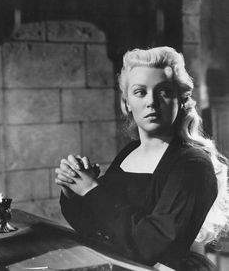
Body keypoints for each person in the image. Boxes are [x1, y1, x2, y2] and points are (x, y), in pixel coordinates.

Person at [55, 47, 229, 271]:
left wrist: (91, 191)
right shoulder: (129, 152)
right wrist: (74, 190)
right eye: (140, 92)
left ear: (181, 100)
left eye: (164, 92)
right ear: (126, 103)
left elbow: (151, 244)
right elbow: (97, 226)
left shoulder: (192, 164)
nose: (151, 102)